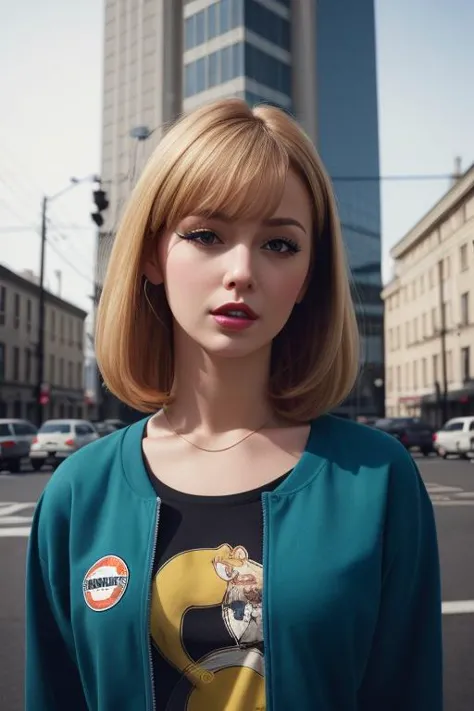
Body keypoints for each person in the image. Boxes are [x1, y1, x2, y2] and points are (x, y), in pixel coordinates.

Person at [25, 98, 442, 711]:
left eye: (279, 244)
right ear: (150, 255)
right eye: (206, 235)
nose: (242, 270)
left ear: (307, 277)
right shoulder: (78, 492)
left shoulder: (378, 480)